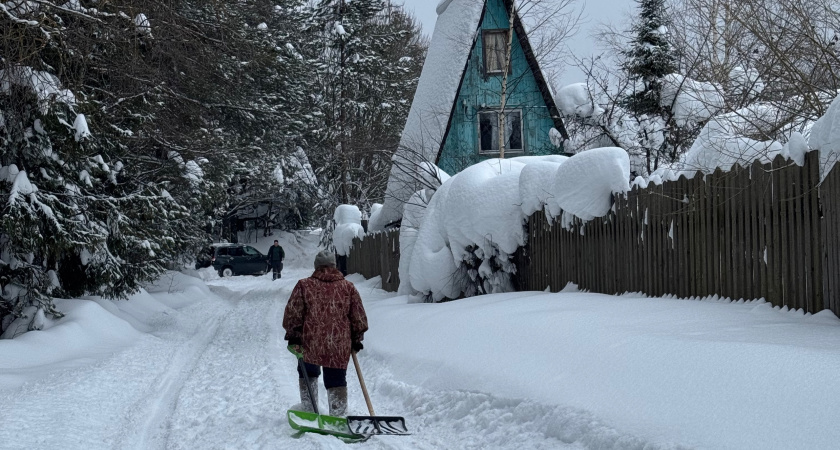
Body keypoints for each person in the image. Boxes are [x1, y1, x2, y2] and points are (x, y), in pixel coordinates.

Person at [283, 250, 368, 416]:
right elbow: (358, 316)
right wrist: (357, 338)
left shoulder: (304, 285)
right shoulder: (348, 287)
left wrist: (293, 336)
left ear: (316, 267)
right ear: (334, 266)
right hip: (338, 343)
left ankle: (309, 410)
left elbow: (293, 313)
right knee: (336, 379)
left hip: (310, 341)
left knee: (308, 373)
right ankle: (338, 415)